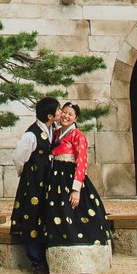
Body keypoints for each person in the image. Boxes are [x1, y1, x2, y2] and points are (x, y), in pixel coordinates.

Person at [44, 101, 111, 260]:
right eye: (64, 112)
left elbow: (81, 162)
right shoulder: (55, 133)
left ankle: (82, 260)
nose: (66, 116)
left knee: (75, 215)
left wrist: (76, 189)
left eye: (70, 114)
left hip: (69, 178)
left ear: (75, 118)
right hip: (55, 179)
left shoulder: (78, 136)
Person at [8, 96, 60, 274]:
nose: (60, 113)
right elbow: (18, 157)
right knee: (32, 217)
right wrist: (27, 174)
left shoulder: (54, 130)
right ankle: (36, 261)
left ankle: (46, 258)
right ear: (50, 115)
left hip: (49, 181)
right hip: (34, 182)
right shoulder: (31, 134)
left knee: (46, 216)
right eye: (58, 110)